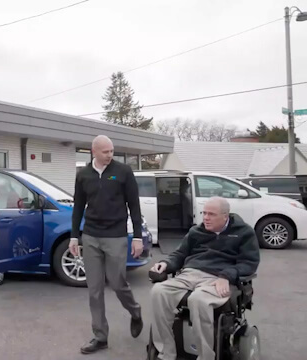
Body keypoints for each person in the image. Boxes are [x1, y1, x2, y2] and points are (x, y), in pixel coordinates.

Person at [149, 197, 260, 360]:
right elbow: (180, 254)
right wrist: (165, 264)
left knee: (198, 300)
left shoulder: (243, 232)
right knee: (158, 292)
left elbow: (249, 263)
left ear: (225, 216)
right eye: (204, 213)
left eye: (211, 214)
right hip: (190, 274)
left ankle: (205, 356)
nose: (206, 218)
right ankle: (166, 353)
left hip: (220, 278)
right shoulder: (196, 231)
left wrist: (227, 275)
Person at [70, 135, 144, 355]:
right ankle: (100, 336)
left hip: (116, 235)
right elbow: (78, 207)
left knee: (118, 282)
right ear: (94, 151)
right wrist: (75, 236)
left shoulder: (123, 172)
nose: (110, 155)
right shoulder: (83, 175)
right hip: (91, 236)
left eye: (112, 151)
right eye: (106, 152)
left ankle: (135, 310)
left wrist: (137, 236)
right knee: (94, 290)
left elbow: (135, 205)